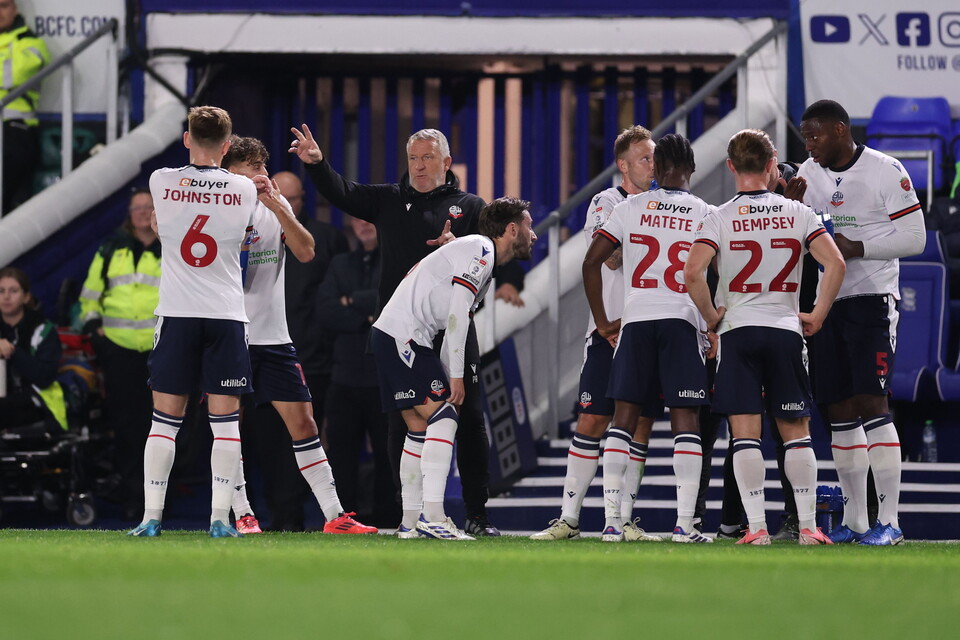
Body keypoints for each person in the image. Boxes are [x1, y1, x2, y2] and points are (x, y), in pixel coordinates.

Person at [289, 124, 504, 536]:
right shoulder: (388, 199)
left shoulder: (471, 206)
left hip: (452, 328)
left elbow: (494, 257)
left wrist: (470, 259)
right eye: (413, 159)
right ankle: (412, 515)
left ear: (446, 161)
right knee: (401, 423)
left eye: (427, 158)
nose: (419, 167)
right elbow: (343, 192)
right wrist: (317, 165)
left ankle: (477, 514)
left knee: (471, 418)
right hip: (402, 331)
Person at [685, 128, 845, 546]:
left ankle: (756, 528)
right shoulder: (799, 214)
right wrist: (819, 313)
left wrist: (712, 318)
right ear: (773, 164)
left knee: (745, 433)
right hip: (785, 328)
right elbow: (836, 264)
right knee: (796, 431)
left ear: (731, 167)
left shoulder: (717, 216)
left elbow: (692, 273)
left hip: (738, 330)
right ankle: (808, 526)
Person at [221, 136, 375, 536]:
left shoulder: (276, 204)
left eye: (261, 166)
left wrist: (277, 208)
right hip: (229, 332)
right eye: (248, 167)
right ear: (228, 173)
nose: (258, 175)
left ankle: (334, 516)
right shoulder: (216, 208)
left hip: (273, 336)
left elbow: (307, 251)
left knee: (304, 423)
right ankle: (242, 513)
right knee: (227, 427)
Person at [128, 105, 265, 538]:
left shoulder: (161, 182)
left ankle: (152, 518)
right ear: (227, 148)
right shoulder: (244, 188)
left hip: (178, 314)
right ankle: (220, 520)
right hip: (225, 315)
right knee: (225, 425)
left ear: (187, 139)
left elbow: (160, 225)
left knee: (164, 422)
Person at [797, 100, 926, 546]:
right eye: (804, 138)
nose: (809, 146)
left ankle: (889, 521)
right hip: (826, 302)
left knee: (873, 403)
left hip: (872, 299)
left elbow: (915, 237)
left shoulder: (886, 171)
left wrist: (858, 247)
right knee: (837, 412)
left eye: (815, 136)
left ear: (840, 129)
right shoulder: (807, 177)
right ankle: (854, 521)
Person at [370, 196, 536, 540]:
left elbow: (451, 314)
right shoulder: (481, 251)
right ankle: (433, 515)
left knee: (417, 428)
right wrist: (456, 376)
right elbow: (457, 315)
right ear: (512, 229)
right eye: (529, 226)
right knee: (445, 417)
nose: (533, 235)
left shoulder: (475, 251)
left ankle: (410, 523)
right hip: (404, 336)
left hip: (395, 335)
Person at [530, 125, 661, 542]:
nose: (652, 165)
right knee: (592, 419)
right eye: (644, 158)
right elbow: (611, 258)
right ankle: (569, 518)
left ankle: (623, 519)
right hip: (608, 332)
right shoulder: (606, 202)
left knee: (641, 425)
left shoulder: (663, 204)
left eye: (654, 157)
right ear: (623, 165)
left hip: (647, 330)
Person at [583, 134, 714, 543]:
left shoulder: (628, 206)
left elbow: (591, 262)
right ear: (691, 168)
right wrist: (712, 324)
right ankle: (683, 525)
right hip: (680, 320)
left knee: (622, 421)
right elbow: (715, 276)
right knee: (685, 420)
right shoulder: (706, 213)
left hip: (635, 322)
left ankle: (610, 523)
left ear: (656, 170)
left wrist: (604, 321)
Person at [78, 188, 161, 521]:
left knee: (162, 427)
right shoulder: (111, 248)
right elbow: (89, 296)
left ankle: (160, 499)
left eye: (148, 207)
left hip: (161, 349)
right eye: (137, 208)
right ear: (129, 214)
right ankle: (134, 498)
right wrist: (96, 329)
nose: (142, 213)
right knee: (127, 428)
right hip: (119, 350)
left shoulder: (173, 246)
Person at [317, 215, 398, 527]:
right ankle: (342, 519)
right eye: (358, 218)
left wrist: (351, 300)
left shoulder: (392, 262)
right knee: (340, 458)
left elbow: (390, 304)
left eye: (370, 219)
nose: (365, 224)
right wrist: (367, 315)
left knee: (388, 456)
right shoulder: (340, 264)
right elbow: (326, 312)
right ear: (350, 223)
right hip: (344, 377)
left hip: (384, 377)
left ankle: (389, 522)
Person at [0, 267, 67, 433]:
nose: (6, 296)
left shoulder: (43, 329)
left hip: (37, 399)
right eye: (1, 291)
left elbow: (44, 376)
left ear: (26, 296)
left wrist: (13, 352)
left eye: (13, 291)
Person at [0, 0, 50, 214]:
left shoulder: (30, 42)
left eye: (3, 5)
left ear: (15, 9)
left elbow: (13, 75)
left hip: (15, 129)